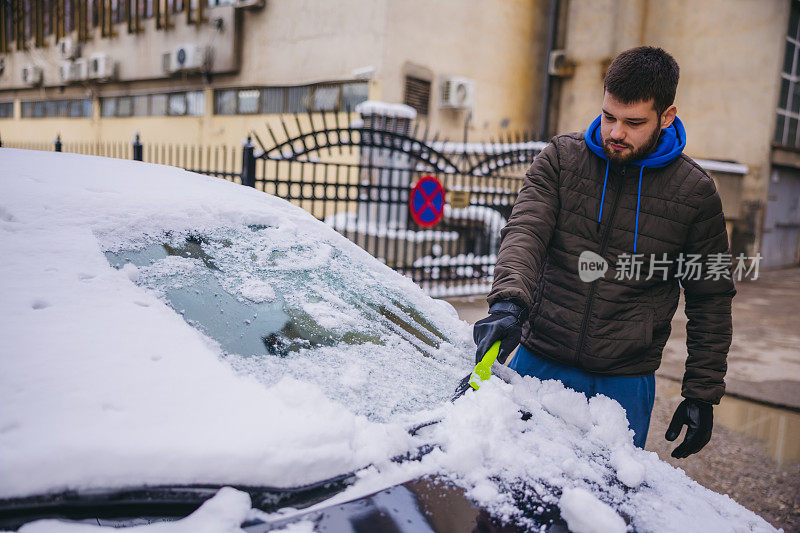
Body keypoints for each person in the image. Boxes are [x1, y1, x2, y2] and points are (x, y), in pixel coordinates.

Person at [473, 46, 735, 456]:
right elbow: (525, 231)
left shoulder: (695, 193)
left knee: (599, 514)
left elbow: (711, 297)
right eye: (608, 116)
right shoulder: (561, 160)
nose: (615, 132)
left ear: (667, 117)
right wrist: (508, 303)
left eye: (633, 122)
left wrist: (702, 391)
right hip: (540, 358)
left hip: (623, 384)